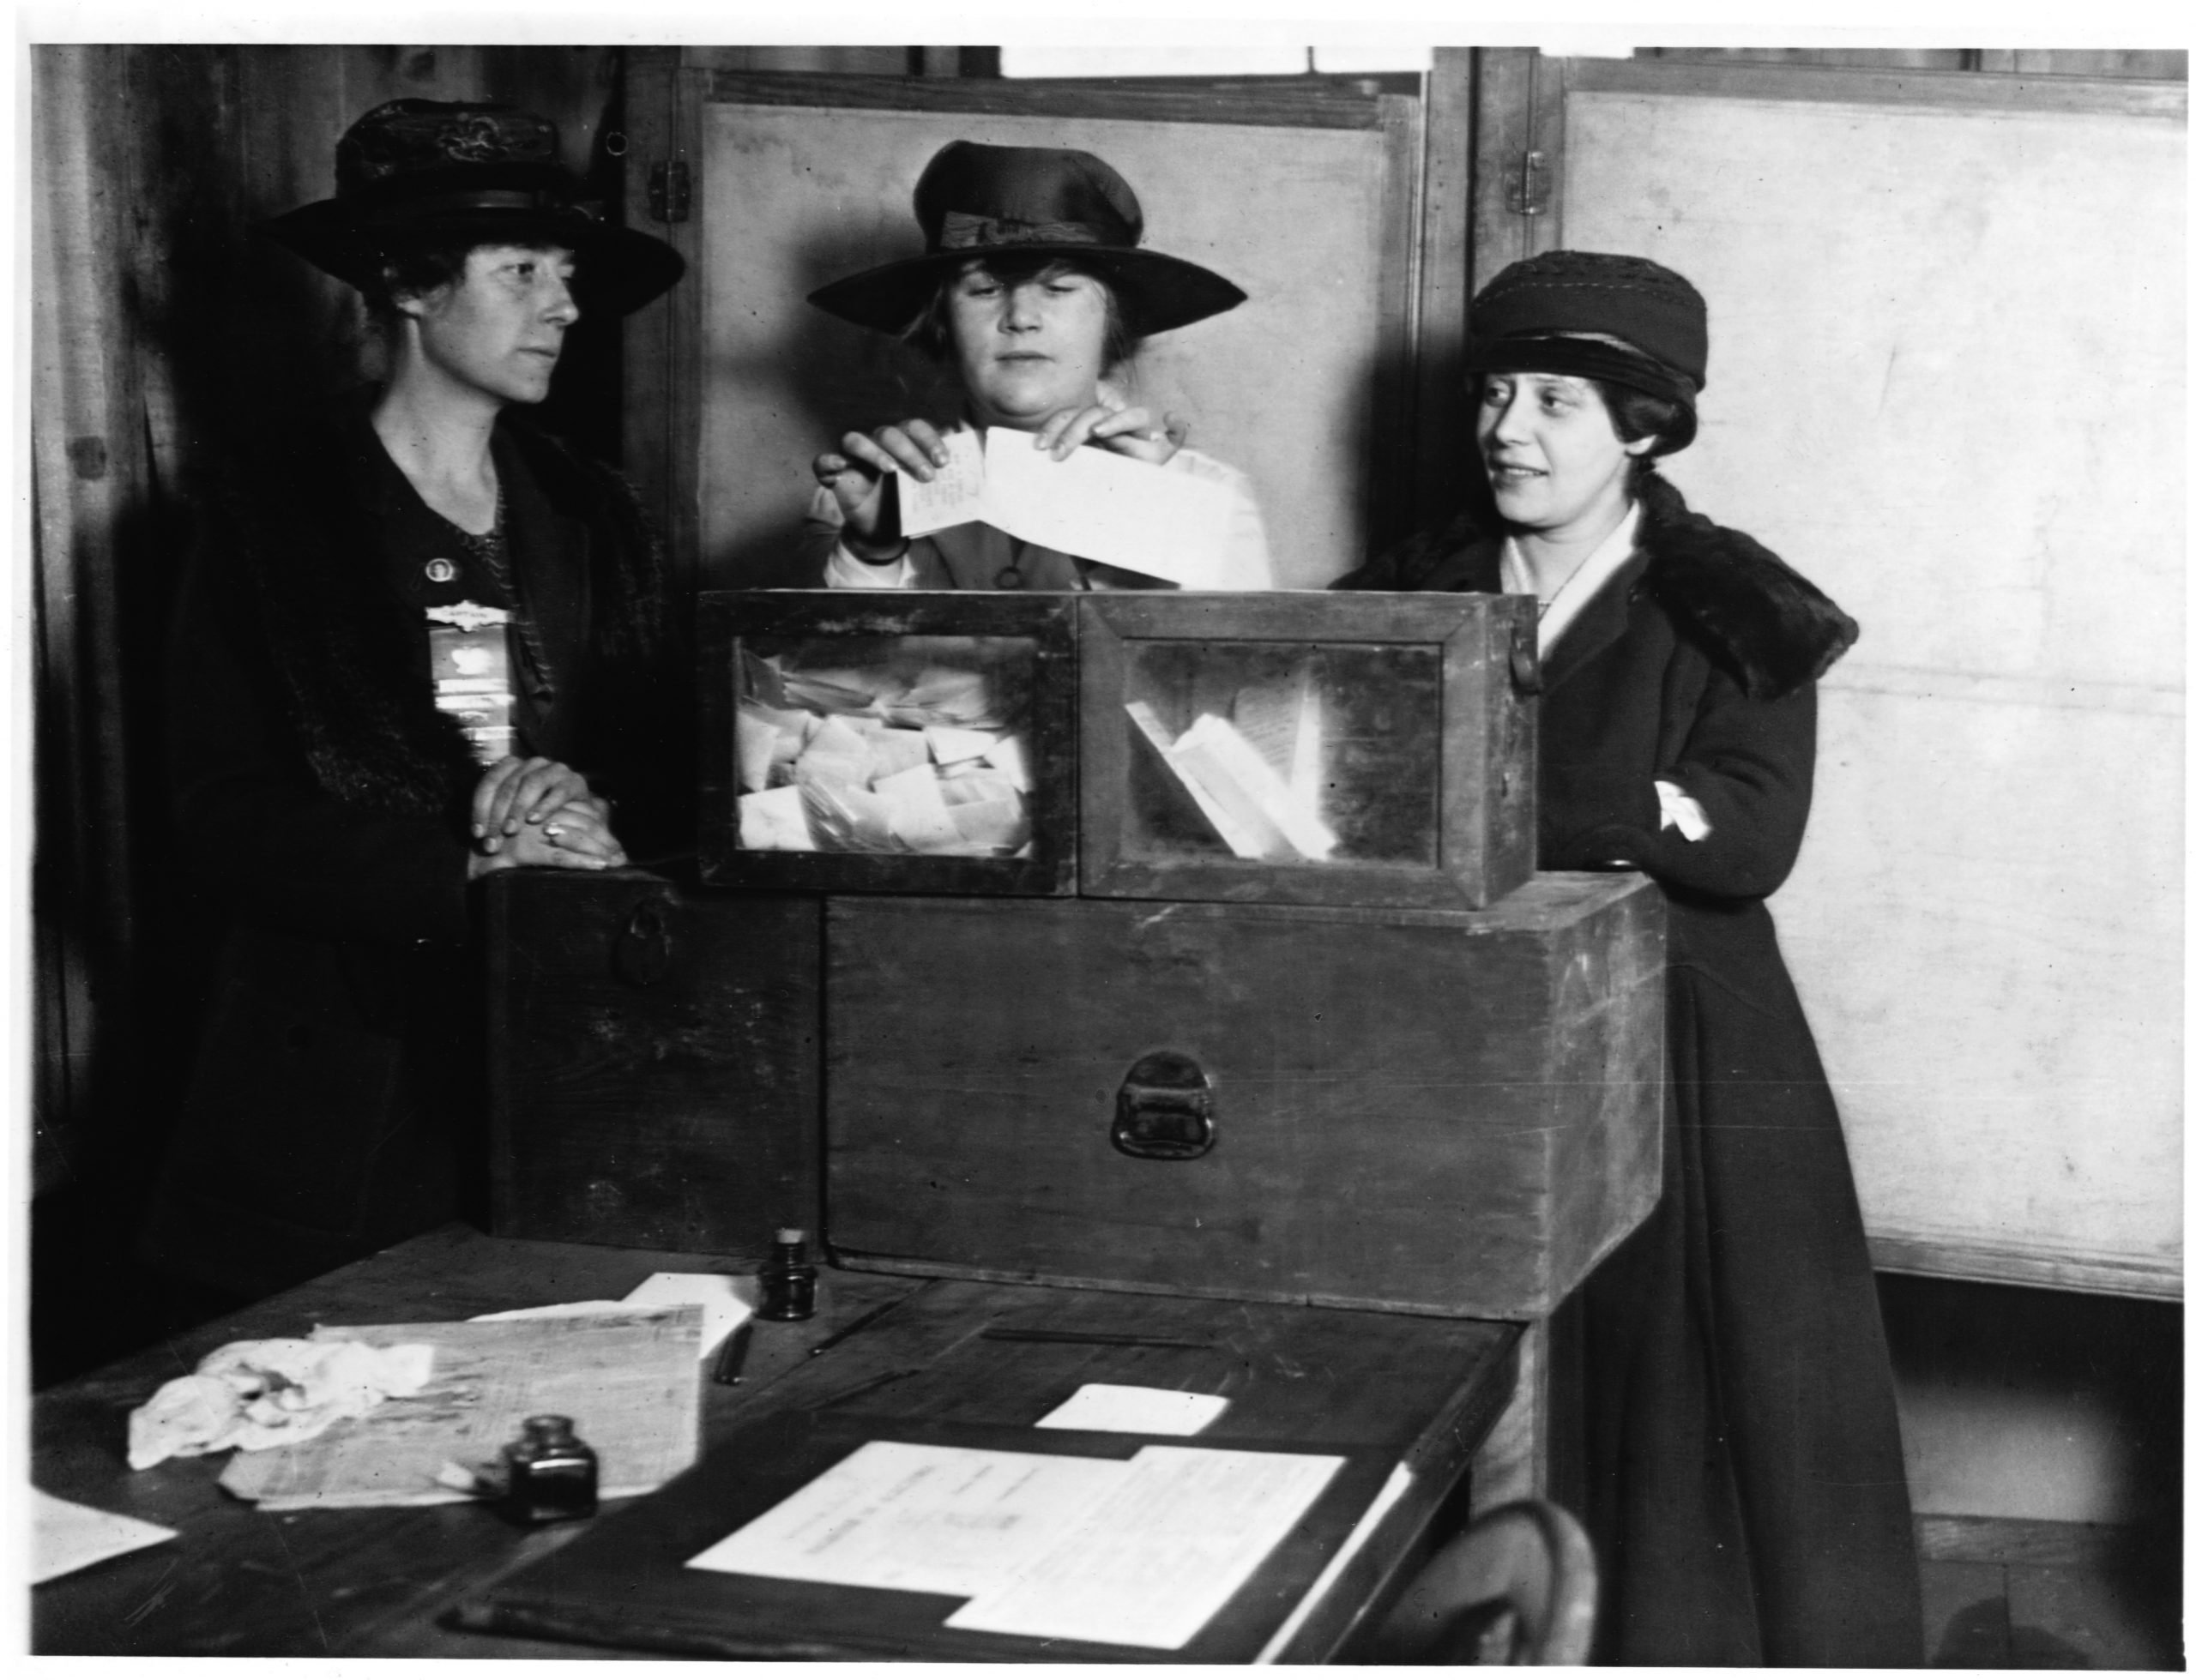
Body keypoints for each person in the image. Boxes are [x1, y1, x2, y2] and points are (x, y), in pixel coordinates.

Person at [1339, 250, 1924, 1665]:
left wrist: (1515, 798)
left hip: (1680, 1046)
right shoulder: (1412, 584)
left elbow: (1742, 841)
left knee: (1682, 1389)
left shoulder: (1735, 603)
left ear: (1645, 426)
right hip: (1460, 1025)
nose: (1507, 429)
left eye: (1556, 399)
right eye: (1494, 392)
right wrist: (1610, 805)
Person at [143, 99, 690, 1307]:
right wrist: (464, 871)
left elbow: (666, 765)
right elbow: (217, 816)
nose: (565, 303)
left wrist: (589, 816)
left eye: (567, 270)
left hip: (579, 1062)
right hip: (348, 1096)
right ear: (405, 282)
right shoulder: (270, 520)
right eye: (521, 270)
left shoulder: (596, 511)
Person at [795, 140, 1273, 592]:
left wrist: (1135, 518)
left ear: (1115, 323)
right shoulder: (862, 496)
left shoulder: (1208, 496)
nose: (1021, 318)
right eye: (983, 289)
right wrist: (872, 551)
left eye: (1060, 289)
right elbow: (806, 675)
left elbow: (1229, 674)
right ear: (941, 322)